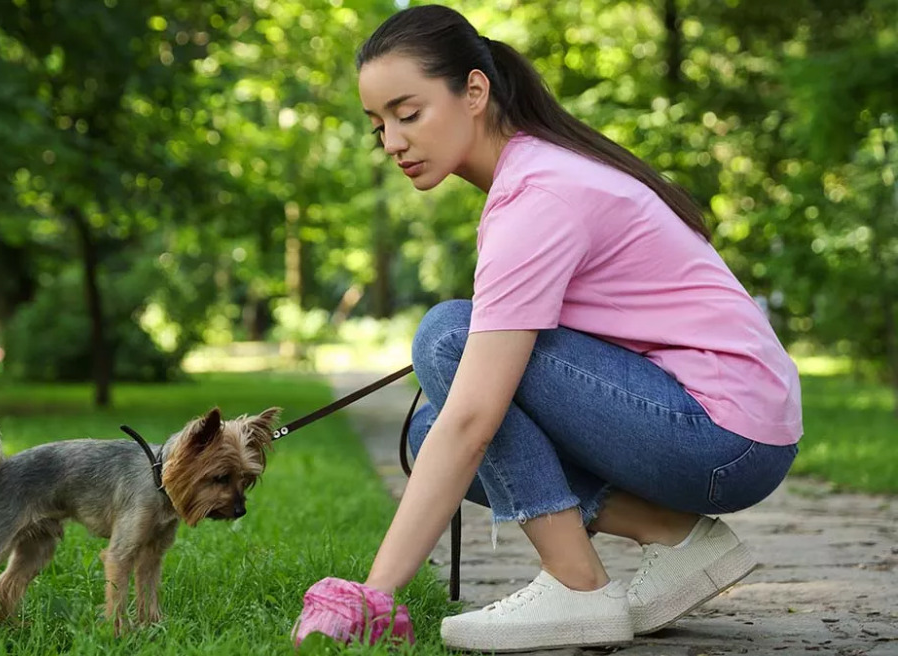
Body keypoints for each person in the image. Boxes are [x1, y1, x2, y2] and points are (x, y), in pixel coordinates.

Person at [291, 4, 802, 653]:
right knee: (427, 435)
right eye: (378, 126)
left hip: (722, 433)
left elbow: (476, 417)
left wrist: (375, 592)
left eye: (408, 113)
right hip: (722, 427)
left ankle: (577, 586)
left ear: (474, 91)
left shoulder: (539, 195)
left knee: (448, 337)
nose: (392, 141)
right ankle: (675, 539)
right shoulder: (537, 171)